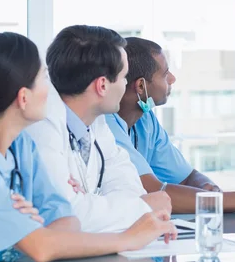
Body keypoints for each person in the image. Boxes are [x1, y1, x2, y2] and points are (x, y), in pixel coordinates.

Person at [0, 32, 176, 262]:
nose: (51, 91)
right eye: (43, 79)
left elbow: (68, 222)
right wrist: (129, 238)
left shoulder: (21, 146)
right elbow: (41, 247)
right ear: (23, 97)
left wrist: (28, 231)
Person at [105, 37, 235, 213]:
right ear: (140, 86)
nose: (172, 79)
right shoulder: (106, 125)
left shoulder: (146, 120)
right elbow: (152, 190)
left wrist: (207, 188)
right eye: (164, 74)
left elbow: (186, 176)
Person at [24, 25, 172, 233]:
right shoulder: (41, 126)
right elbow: (65, 218)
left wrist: (89, 202)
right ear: (102, 85)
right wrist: (143, 208)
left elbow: (129, 185)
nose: (125, 85)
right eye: (124, 77)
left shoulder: (95, 122)